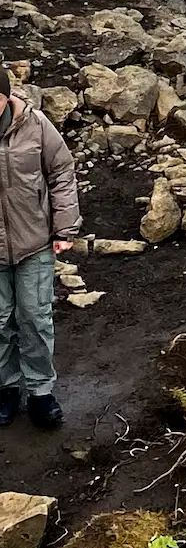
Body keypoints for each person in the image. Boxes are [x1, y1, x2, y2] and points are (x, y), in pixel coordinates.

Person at [0, 65, 79, 431]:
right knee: (0, 323)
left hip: (34, 243)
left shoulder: (35, 124)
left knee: (34, 318)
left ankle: (41, 393)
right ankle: (6, 389)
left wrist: (64, 228)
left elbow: (61, 171)